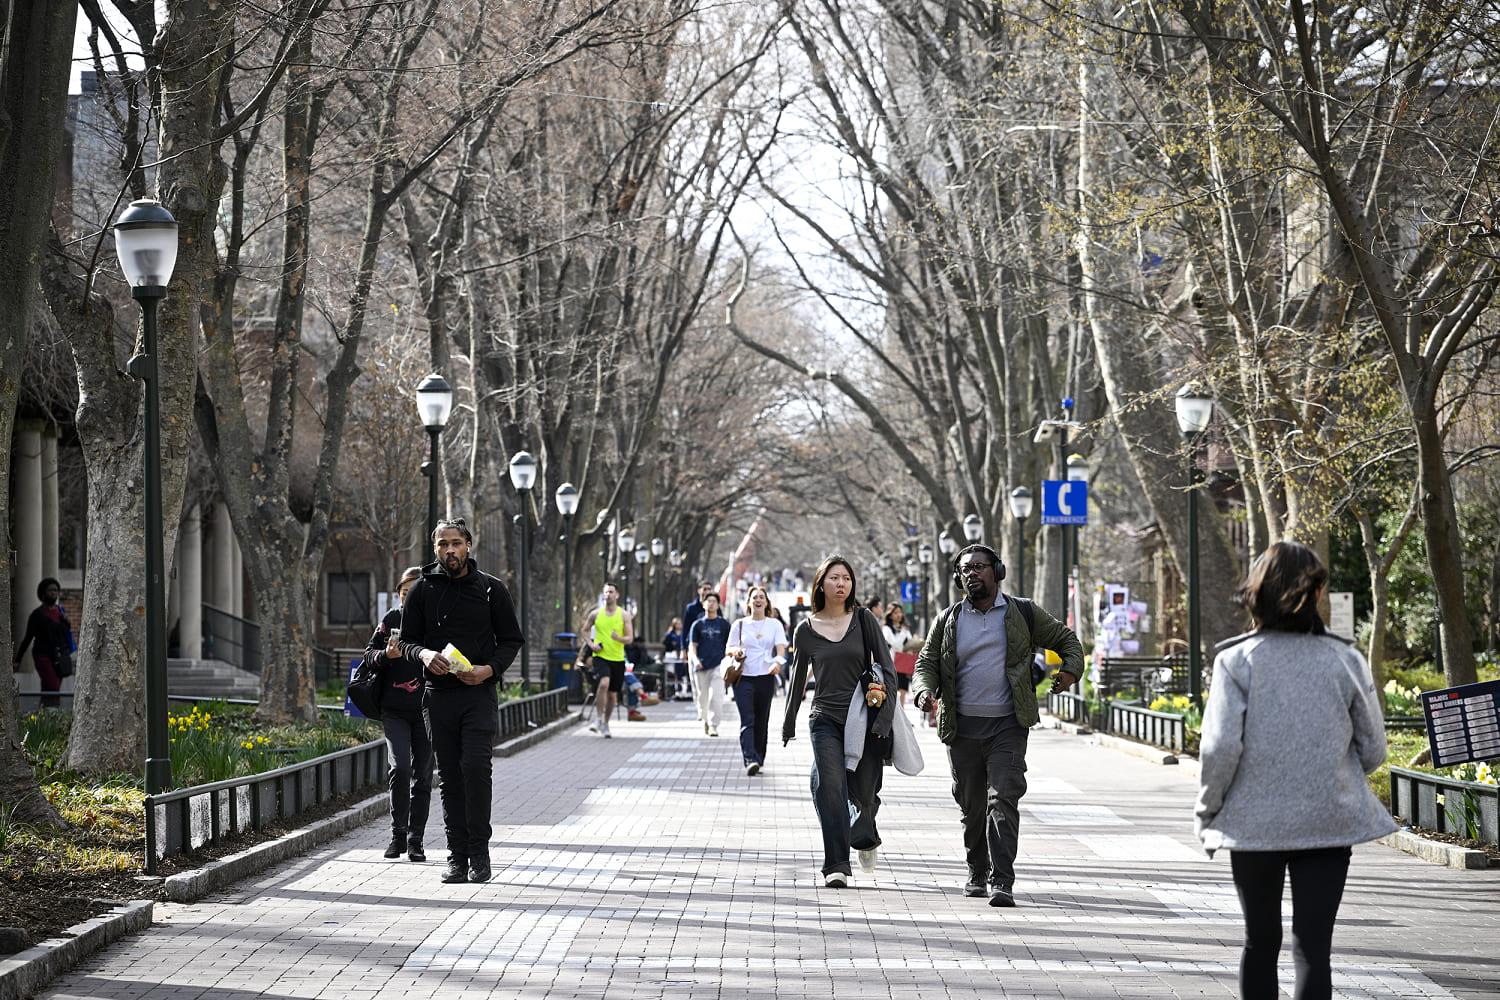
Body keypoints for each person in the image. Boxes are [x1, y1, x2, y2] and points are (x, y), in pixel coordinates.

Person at [1195, 541, 1394, 1000]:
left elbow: (1220, 748)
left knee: (1259, 942)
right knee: (1313, 949)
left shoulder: (1236, 661)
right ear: (1317, 593)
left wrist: (1208, 810)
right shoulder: (1345, 659)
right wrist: (1326, 764)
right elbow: (1374, 750)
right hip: (1328, 821)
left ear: (1255, 595)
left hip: (1254, 823)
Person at [912, 543, 1083, 907]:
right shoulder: (948, 619)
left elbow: (1065, 639)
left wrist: (1070, 669)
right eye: (964, 569)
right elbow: (926, 662)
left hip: (1008, 724)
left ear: (997, 571)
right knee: (971, 805)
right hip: (961, 727)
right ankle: (977, 869)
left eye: (979, 566)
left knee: (1003, 798)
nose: (971, 573)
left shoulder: (1022, 612)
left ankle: (1002, 880)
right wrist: (924, 690)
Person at [397, 518, 524, 885]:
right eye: (442, 544)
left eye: (456, 543)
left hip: (478, 695)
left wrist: (489, 670)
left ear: (468, 545)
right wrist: (422, 654)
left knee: (475, 769)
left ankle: (479, 854)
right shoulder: (421, 591)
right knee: (450, 777)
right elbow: (406, 641)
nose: (449, 550)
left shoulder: (491, 590)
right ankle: (457, 857)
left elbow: (512, 640)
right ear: (435, 548)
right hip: (438, 698)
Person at [782, 556, 896, 888]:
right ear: (821, 584)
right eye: (834, 578)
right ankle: (836, 865)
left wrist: (885, 719)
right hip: (825, 719)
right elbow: (798, 679)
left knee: (863, 794)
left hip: (864, 716)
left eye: (846, 578)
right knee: (831, 788)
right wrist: (788, 723)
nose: (841, 583)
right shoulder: (805, 629)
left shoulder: (864, 620)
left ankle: (865, 835)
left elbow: (887, 668)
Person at [361, 566, 432, 862]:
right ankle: (397, 835)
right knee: (400, 769)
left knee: (423, 777)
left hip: (428, 709)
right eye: (405, 593)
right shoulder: (390, 620)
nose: (409, 598)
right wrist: (385, 656)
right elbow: (368, 656)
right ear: (399, 594)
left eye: (414, 593)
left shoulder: (435, 623)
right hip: (394, 710)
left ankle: (416, 841)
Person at [725, 585, 787, 775]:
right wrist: (735, 651)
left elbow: (781, 649)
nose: (758, 600)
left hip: (765, 677)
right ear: (749, 602)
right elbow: (728, 648)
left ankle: (759, 757)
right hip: (743, 677)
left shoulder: (774, 624)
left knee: (762, 720)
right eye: (754, 597)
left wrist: (777, 664)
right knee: (747, 719)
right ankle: (750, 759)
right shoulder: (740, 624)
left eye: (762, 597)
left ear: (766, 602)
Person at [580, 583, 633, 737]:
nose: (608, 595)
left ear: (617, 595)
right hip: (600, 656)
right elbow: (584, 630)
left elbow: (630, 638)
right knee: (604, 684)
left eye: (611, 592)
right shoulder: (596, 614)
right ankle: (597, 719)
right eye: (606, 592)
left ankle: (606, 723)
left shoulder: (623, 615)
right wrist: (591, 644)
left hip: (617, 658)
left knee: (612, 694)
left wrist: (619, 638)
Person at [14, 578, 72, 709]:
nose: (54, 593)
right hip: (43, 656)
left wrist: (67, 622)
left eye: (56, 590)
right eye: (50, 590)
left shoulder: (61, 613)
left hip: (59, 657)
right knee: (51, 686)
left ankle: (45, 715)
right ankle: (52, 713)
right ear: (43, 593)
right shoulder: (37, 615)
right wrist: (18, 659)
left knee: (52, 687)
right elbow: (27, 638)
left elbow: (65, 635)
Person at [687, 592, 730, 737]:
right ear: (704, 604)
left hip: (719, 665)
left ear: (718, 605)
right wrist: (695, 660)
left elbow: (729, 644)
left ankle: (713, 725)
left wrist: (728, 660)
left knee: (715, 696)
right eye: (708, 601)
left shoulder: (723, 624)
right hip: (701, 666)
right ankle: (704, 720)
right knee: (702, 697)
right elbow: (692, 646)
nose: (711, 604)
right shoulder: (697, 625)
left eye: (714, 601)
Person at [883, 605, 915, 711]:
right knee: (892, 690)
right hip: (892, 663)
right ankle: (892, 714)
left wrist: (910, 651)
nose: (899, 615)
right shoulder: (887, 629)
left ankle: (902, 715)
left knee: (903, 691)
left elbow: (910, 643)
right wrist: (902, 633)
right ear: (890, 614)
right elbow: (895, 644)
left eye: (900, 612)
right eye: (896, 612)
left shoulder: (904, 628)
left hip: (903, 663)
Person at [662, 617, 688, 699]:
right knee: (674, 672)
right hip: (673, 656)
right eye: (676, 624)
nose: (678, 625)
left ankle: (686, 690)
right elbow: (666, 643)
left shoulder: (684, 633)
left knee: (684, 671)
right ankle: (676, 689)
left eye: (680, 623)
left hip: (683, 655)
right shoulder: (670, 634)